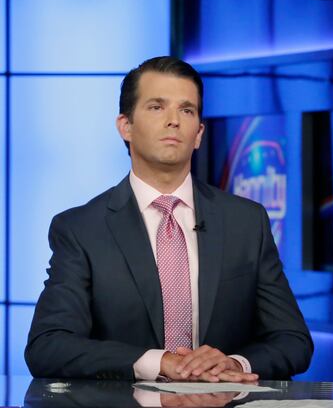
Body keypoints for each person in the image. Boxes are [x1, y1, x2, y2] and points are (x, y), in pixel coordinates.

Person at [25, 56, 313, 383]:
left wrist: (236, 364)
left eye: (187, 110)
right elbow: (48, 346)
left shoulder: (247, 222)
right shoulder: (81, 229)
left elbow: (293, 340)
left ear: (200, 133)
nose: (174, 120)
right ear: (125, 126)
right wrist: (157, 362)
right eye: (156, 107)